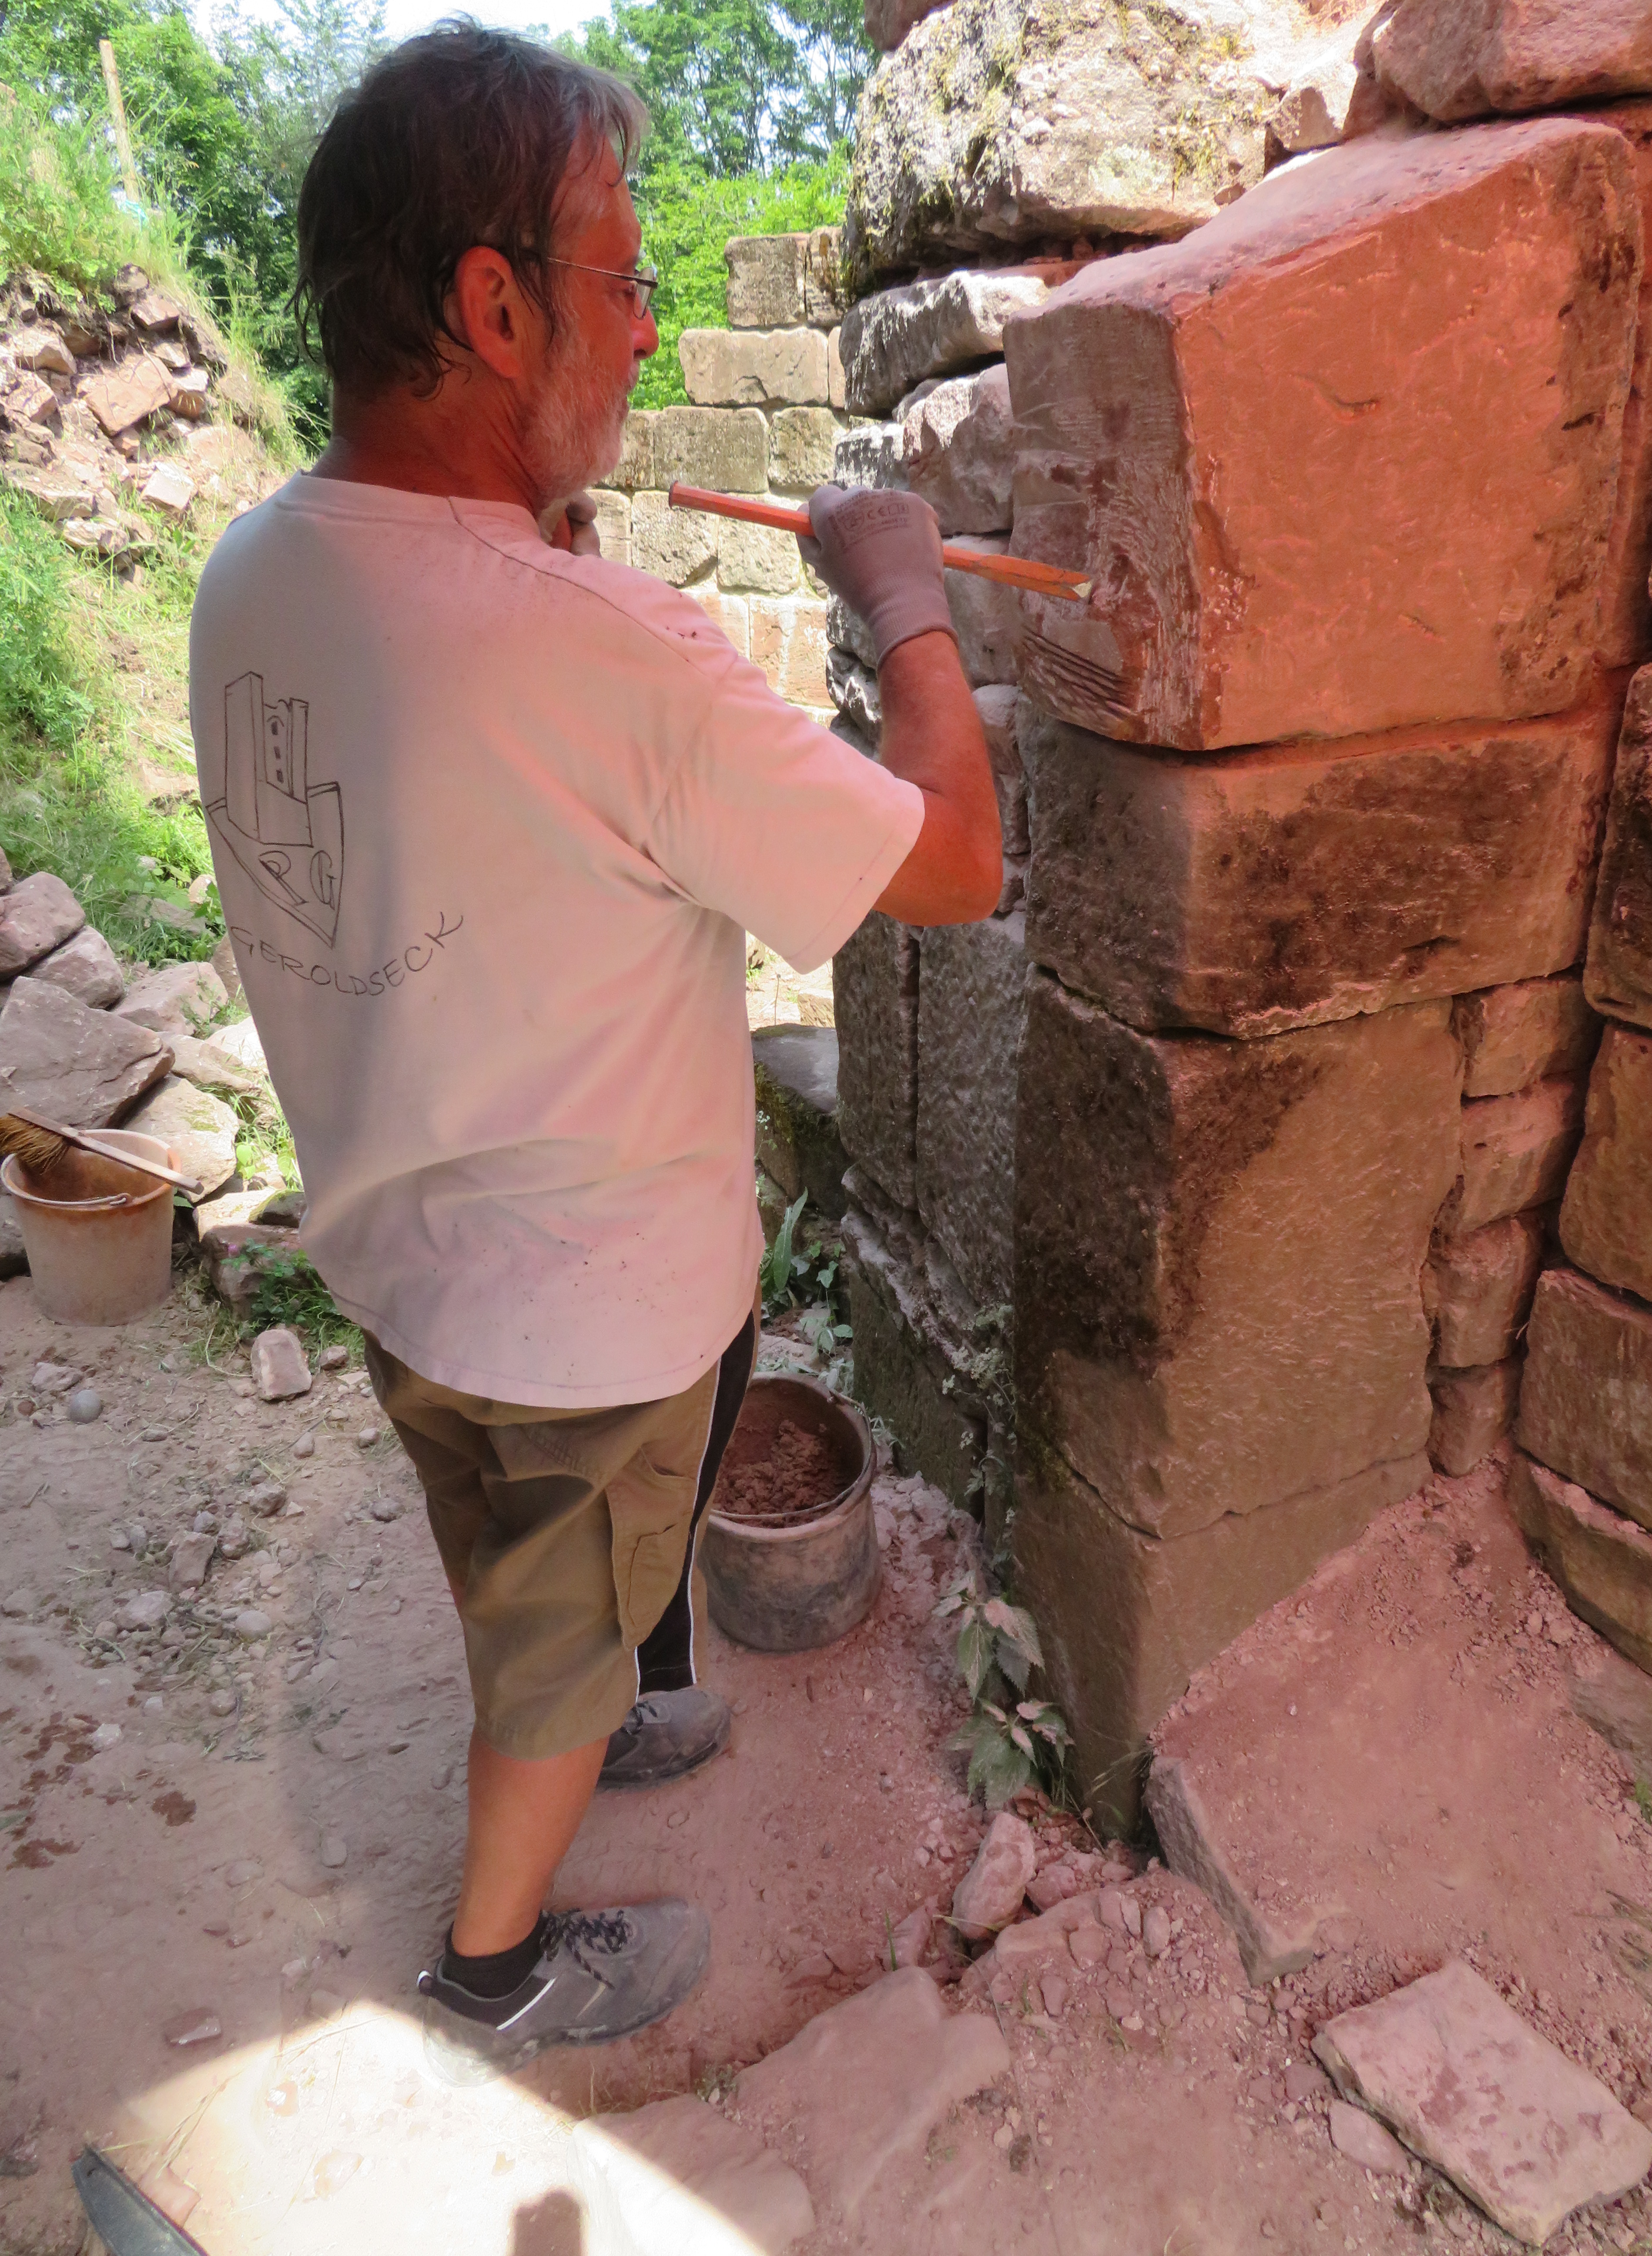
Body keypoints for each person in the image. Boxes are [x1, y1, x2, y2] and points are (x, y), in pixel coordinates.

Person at [188, 23, 999, 2071]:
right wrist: (905, 599)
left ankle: (593, 1711)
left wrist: (543, 537)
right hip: (584, 1314)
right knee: (551, 1635)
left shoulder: (258, 570)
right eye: (624, 282)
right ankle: (494, 1965)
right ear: (491, 305)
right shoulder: (618, 654)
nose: (646, 332)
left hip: (403, 1251)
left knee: (514, 1553)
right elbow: (957, 864)